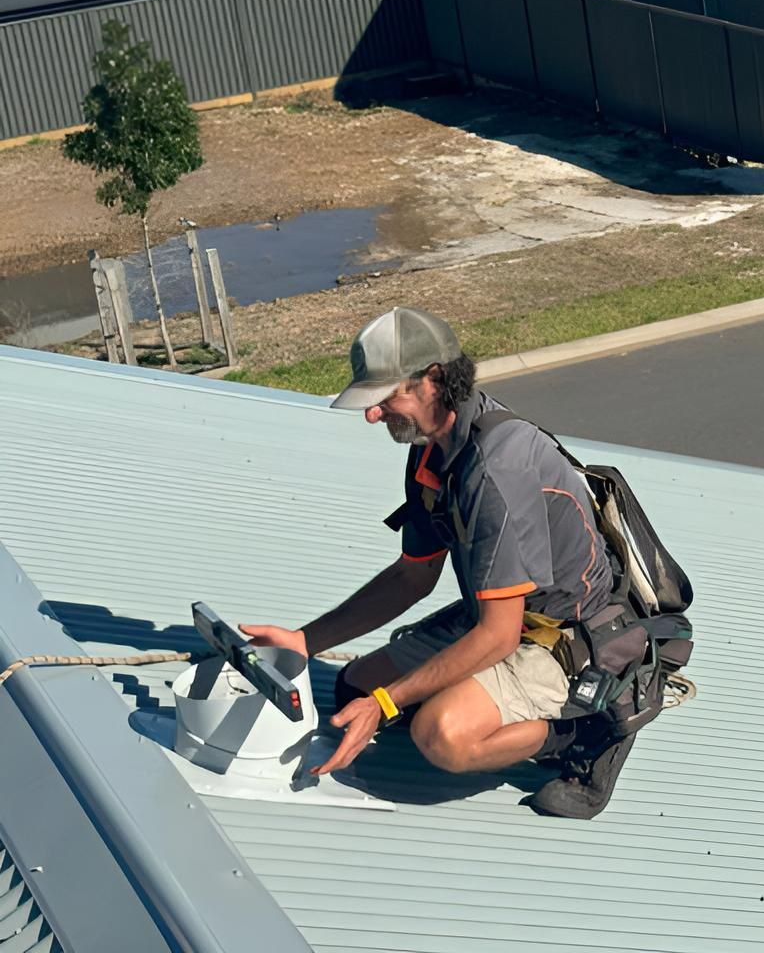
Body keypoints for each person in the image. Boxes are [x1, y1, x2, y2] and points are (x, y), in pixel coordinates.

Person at [241, 306, 631, 816]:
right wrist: (305, 641)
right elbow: (413, 575)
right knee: (352, 686)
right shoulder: (434, 450)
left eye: (386, 397)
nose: (373, 414)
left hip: (564, 636)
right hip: (497, 615)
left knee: (439, 734)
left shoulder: (496, 472)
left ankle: (585, 734)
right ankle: (468, 702)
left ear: (435, 379)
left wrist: (387, 703)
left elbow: (499, 636)